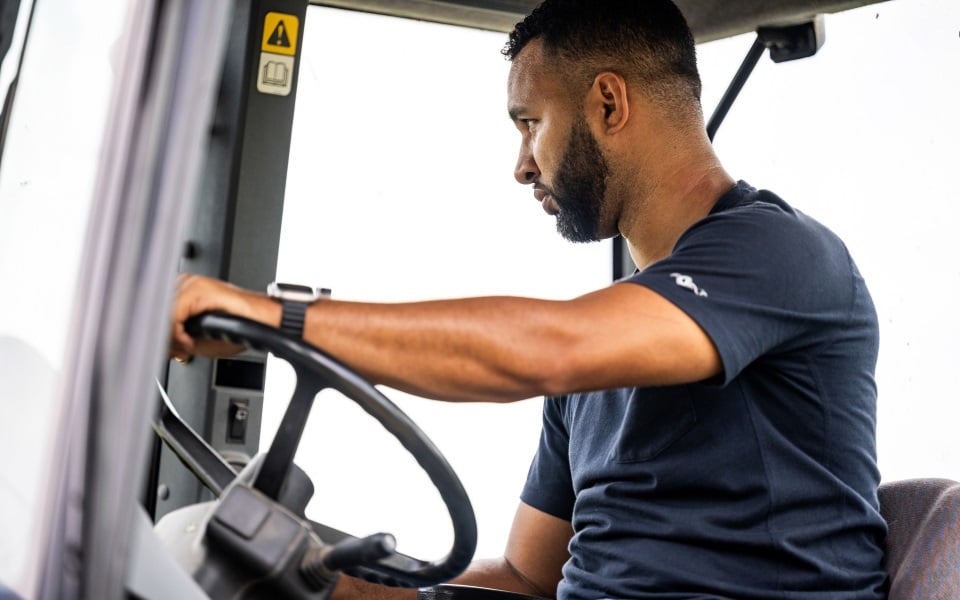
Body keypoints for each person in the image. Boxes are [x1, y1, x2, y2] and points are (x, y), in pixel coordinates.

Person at [169, 0, 888, 597]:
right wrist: (334, 586)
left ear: (607, 102)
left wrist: (281, 320)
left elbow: (547, 348)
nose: (520, 165)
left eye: (529, 123)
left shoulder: (782, 257)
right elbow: (527, 579)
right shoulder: (601, 352)